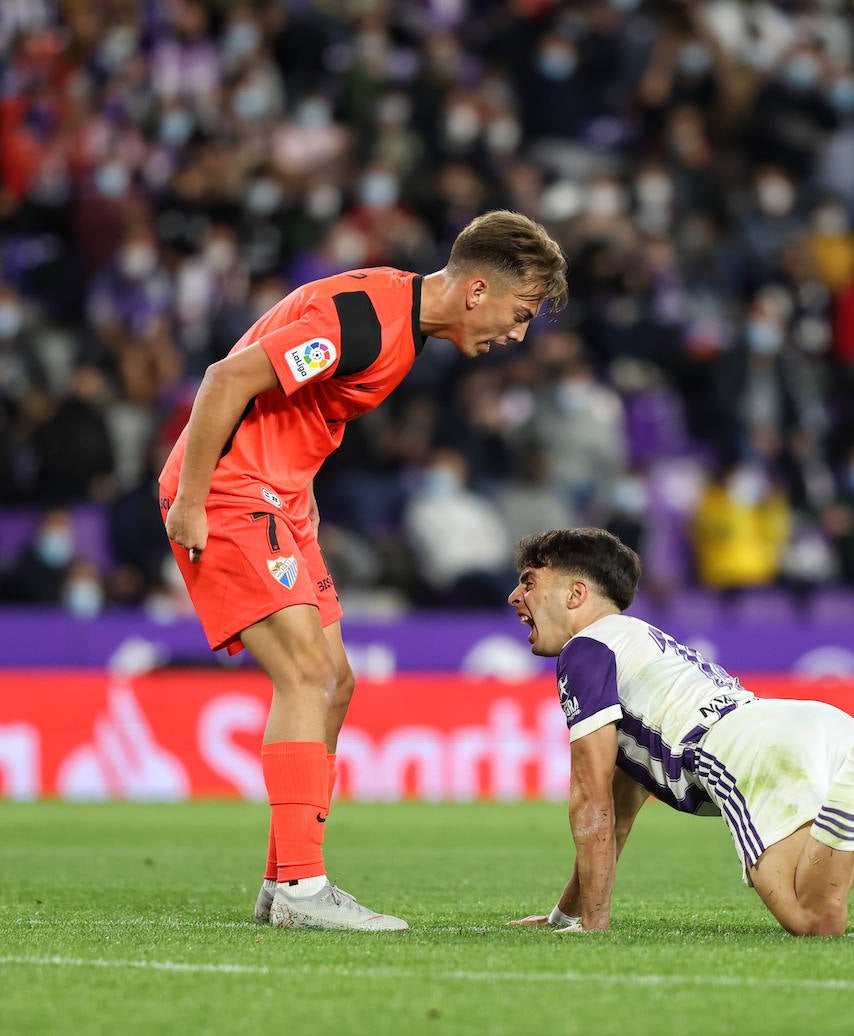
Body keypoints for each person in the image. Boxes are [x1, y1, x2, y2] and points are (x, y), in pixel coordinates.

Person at [160, 210, 568, 930]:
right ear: (477, 290)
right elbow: (226, 378)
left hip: (277, 499)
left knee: (337, 681)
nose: (519, 333)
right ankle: (303, 890)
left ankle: (286, 877)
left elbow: (292, 405)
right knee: (307, 677)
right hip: (230, 492)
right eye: (521, 311)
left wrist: (302, 489)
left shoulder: (398, 322)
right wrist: (192, 500)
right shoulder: (364, 323)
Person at [503, 527, 854, 936]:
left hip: (745, 748)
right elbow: (616, 814)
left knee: (815, 918)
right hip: (821, 726)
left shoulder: (586, 648)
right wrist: (562, 916)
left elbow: (588, 797)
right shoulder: (641, 647)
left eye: (530, 581)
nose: (514, 597)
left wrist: (593, 928)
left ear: (576, 594)